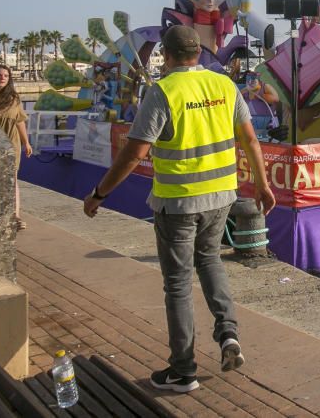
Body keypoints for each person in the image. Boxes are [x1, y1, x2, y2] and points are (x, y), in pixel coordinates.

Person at [83, 26, 275, 393]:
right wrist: (263, 185)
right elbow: (249, 139)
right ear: (198, 54)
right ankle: (228, 335)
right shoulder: (224, 86)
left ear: (167, 56)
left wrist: (100, 193)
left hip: (179, 202)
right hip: (222, 196)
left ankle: (183, 370)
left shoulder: (163, 92)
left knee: (177, 284)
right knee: (211, 261)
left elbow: (136, 151)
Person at [0, 65, 32, 232]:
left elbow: (19, 121)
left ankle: (15, 216)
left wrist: (26, 142)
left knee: (12, 179)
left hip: (11, 143)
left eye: (6, 76)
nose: (2, 78)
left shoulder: (13, 98)